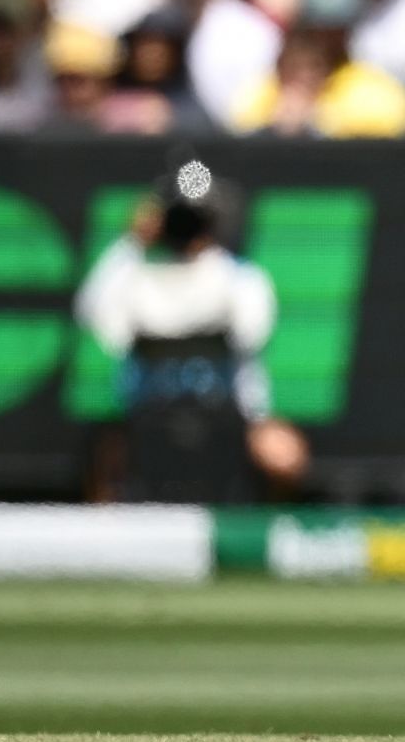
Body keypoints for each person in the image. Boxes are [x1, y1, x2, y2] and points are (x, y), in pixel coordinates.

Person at [74, 160, 305, 503]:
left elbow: (98, 318)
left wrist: (131, 243)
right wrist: (132, 244)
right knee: (105, 454)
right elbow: (95, 318)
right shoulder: (231, 280)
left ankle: (259, 542)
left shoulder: (233, 280)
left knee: (284, 454)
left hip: (232, 426)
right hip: (147, 428)